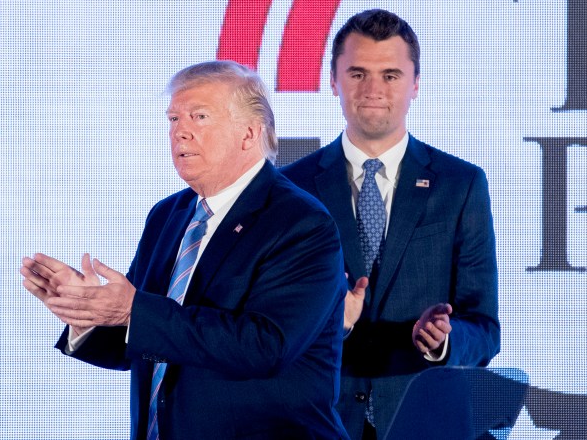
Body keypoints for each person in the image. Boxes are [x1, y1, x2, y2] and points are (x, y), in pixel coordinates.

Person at [21, 60, 349, 440]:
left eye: (199, 116)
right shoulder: (168, 215)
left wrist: (132, 309)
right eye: (174, 119)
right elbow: (148, 338)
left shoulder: (300, 222)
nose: (181, 132)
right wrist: (88, 314)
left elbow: (266, 346)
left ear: (248, 134)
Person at [281, 9, 500, 440]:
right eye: (358, 73)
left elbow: (485, 329)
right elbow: (270, 328)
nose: (373, 90)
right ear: (332, 80)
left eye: (391, 75)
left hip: (426, 422)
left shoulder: (461, 184)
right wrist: (331, 322)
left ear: (416, 84)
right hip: (319, 422)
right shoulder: (291, 187)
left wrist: (443, 342)